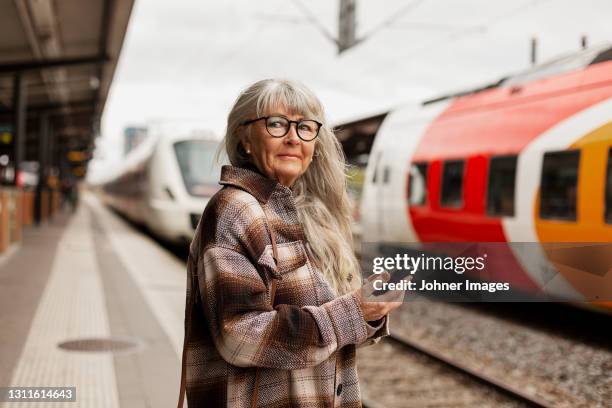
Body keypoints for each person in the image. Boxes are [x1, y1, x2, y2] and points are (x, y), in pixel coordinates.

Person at [179, 79, 407, 408]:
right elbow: (239, 336)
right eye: (276, 123)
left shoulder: (309, 216)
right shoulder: (235, 209)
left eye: (304, 127)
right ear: (244, 138)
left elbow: (335, 326)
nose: (292, 137)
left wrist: (370, 310)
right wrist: (352, 312)